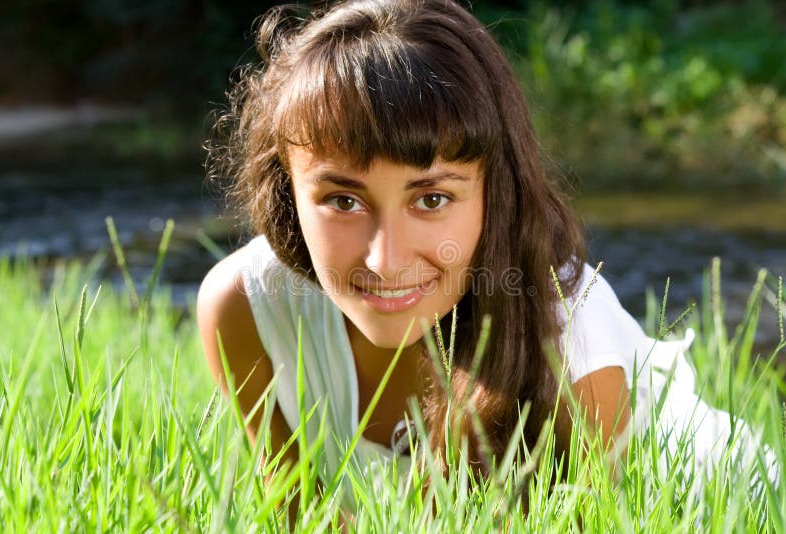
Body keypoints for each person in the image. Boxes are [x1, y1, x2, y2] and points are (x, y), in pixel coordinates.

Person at [197, 0, 776, 509]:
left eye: (431, 197)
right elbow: (301, 518)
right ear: (285, 192)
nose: (386, 260)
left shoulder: (569, 340)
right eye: (343, 199)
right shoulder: (248, 309)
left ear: (494, 192)